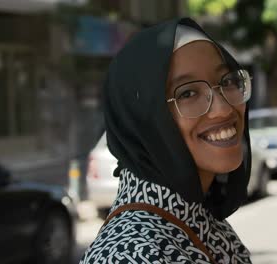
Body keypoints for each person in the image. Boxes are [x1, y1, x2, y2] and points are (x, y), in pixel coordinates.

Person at [79, 17, 253, 263]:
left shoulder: (201, 223)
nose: (223, 109)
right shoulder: (130, 254)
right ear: (144, 120)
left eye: (227, 81)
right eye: (188, 93)